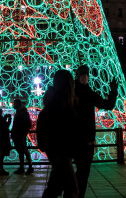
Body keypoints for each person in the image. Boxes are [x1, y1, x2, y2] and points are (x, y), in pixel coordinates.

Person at [73, 65, 117, 198]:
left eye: (86, 74)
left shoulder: (88, 93)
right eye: (82, 74)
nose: (84, 77)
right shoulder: (74, 93)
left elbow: (108, 105)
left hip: (87, 139)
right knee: (82, 171)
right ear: (77, 76)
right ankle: (74, 193)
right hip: (78, 139)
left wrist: (113, 91)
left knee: (83, 171)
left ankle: (74, 192)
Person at [37, 68, 79, 198]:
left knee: (58, 188)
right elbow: (64, 129)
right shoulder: (60, 104)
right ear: (67, 84)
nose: (74, 84)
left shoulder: (59, 102)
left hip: (59, 153)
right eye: (71, 82)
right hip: (61, 154)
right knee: (70, 190)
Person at [11, 98, 34, 174]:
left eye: (14, 103)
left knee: (23, 150)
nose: (13, 105)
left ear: (18, 104)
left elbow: (27, 124)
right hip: (18, 134)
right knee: (21, 151)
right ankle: (22, 167)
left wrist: (23, 132)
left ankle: (29, 167)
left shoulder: (22, 113)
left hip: (20, 134)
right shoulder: (19, 112)